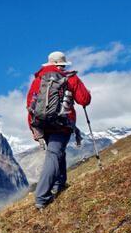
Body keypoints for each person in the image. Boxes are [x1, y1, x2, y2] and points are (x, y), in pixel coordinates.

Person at [26, 51, 91, 209]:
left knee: (57, 152)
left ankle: (60, 184)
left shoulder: (38, 79)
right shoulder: (71, 78)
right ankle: (42, 197)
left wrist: (34, 129)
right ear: (62, 64)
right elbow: (84, 100)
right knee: (54, 155)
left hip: (43, 123)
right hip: (62, 123)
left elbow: (30, 104)